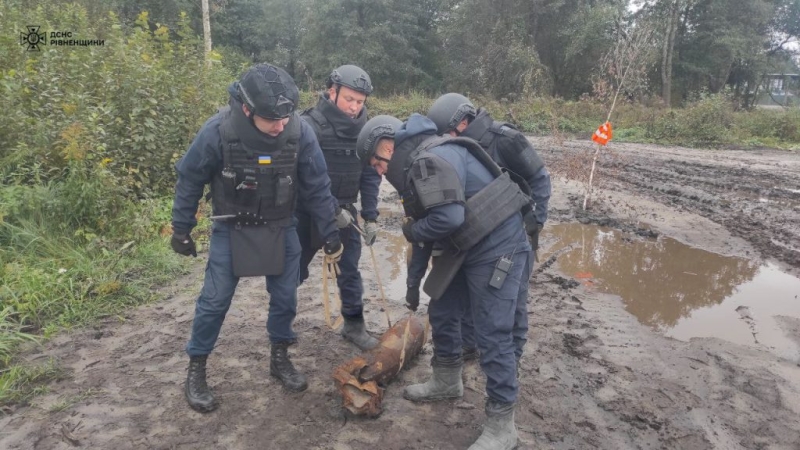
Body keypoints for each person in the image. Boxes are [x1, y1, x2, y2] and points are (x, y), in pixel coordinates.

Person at [170, 63, 344, 413]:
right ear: (248, 110)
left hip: (281, 225)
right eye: (272, 120)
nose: (281, 125)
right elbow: (190, 178)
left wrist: (329, 231)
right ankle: (197, 367)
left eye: (285, 117)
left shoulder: (300, 132)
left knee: (285, 298)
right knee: (214, 300)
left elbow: (317, 186)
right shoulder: (216, 131)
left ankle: (278, 357)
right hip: (231, 226)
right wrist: (181, 227)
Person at [357, 113, 531, 450]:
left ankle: (502, 425)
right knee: (443, 307)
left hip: (498, 244)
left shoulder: (428, 161)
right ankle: (447, 379)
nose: (378, 172)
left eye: (376, 163)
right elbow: (427, 233)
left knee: (492, 331)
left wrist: (409, 231)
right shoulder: (417, 165)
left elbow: (446, 218)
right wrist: (412, 286)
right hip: (465, 241)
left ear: (389, 147)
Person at [408, 93, 552, 366]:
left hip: (516, 232)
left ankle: (514, 359)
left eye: (447, 133)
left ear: (463, 123)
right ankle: (469, 346)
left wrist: (534, 224)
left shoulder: (506, 139)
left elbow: (540, 180)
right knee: (470, 294)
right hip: (477, 234)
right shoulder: (456, 149)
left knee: (514, 302)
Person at [297, 65, 381, 350]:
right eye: (349, 99)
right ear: (332, 92)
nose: (354, 107)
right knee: (291, 270)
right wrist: (331, 210)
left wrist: (370, 216)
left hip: (347, 213)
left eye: (360, 101)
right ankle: (280, 328)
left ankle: (354, 325)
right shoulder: (309, 125)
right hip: (308, 213)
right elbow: (305, 179)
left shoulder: (367, 130)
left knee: (349, 270)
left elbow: (370, 175)